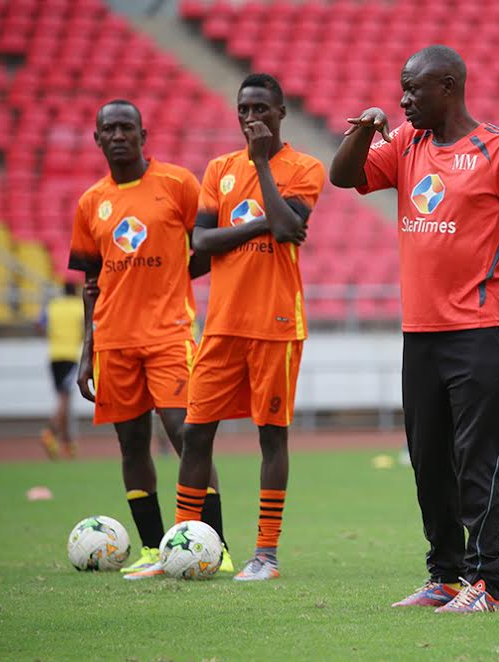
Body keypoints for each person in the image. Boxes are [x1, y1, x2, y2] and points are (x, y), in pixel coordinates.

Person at [330, 45, 499, 613]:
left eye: (414, 89)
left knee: (478, 459)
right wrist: (366, 130)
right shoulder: (405, 142)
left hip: (478, 329)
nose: (404, 98)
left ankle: (486, 583)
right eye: (401, 88)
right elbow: (343, 175)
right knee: (429, 461)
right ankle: (446, 577)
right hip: (420, 331)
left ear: (449, 86)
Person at [68, 99, 230, 579]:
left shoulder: (178, 183)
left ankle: (215, 547)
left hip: (169, 333)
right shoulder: (90, 202)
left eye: (126, 127)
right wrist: (87, 352)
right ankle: (150, 549)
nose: (118, 135)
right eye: (108, 129)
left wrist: (174, 279)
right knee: (132, 443)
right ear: (97, 139)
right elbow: (91, 283)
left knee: (189, 436)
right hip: (114, 339)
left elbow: (203, 249)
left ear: (143, 134)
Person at [172, 73, 324, 582]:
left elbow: (289, 227)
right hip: (222, 324)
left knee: (271, 437)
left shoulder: (305, 167)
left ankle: (266, 555)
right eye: (243, 110)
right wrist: (263, 224)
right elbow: (203, 243)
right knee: (195, 433)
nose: (250, 118)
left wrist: (261, 165)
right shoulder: (218, 169)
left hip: (276, 324)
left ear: (281, 112)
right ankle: (182, 543)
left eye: (260, 108)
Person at [39, 281, 85, 459]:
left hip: (53, 356)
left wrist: (51, 334)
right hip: (70, 356)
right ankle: (49, 432)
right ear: (74, 292)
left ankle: (67, 444)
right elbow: (85, 326)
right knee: (65, 398)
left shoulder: (52, 306)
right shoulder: (77, 306)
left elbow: (40, 324)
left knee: (64, 397)